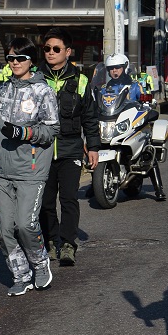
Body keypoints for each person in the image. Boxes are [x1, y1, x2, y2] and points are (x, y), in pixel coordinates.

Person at [0, 38, 59, 296]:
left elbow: (51, 130)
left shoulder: (42, 91)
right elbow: (1, 124)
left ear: (31, 61)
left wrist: (24, 133)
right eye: (11, 58)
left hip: (30, 168)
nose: (15, 62)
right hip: (1, 167)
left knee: (25, 224)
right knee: (4, 229)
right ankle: (20, 274)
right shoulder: (4, 89)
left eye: (20, 58)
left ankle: (40, 263)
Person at [37, 28, 100, 267]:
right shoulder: (35, 78)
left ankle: (67, 244)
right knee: (45, 201)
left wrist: (93, 147)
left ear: (68, 51)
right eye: (47, 49)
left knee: (69, 198)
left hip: (70, 148)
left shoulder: (81, 80)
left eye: (56, 49)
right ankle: (51, 240)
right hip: (41, 150)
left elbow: (90, 117)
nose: (50, 53)